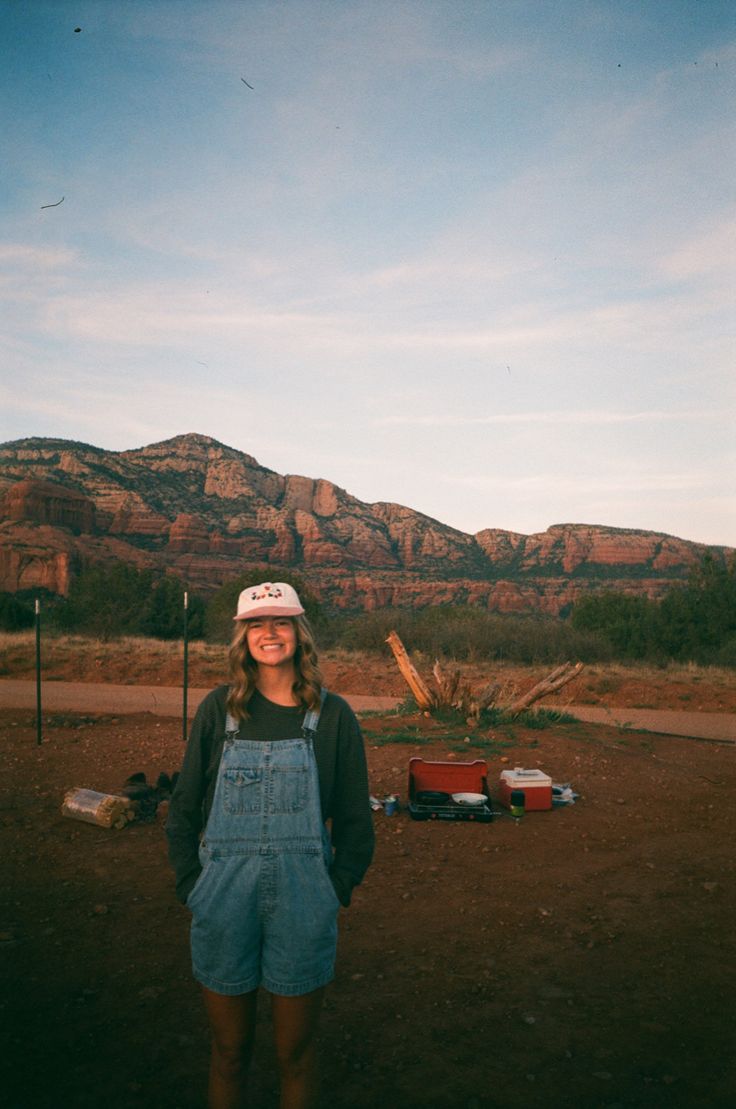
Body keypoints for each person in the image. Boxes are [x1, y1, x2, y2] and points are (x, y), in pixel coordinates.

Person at [166, 581, 375, 1109]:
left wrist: (336, 887)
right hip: (222, 897)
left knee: (295, 1053)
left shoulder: (333, 716)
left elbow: (354, 819)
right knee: (229, 1050)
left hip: (305, 901)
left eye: (280, 621)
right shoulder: (219, 710)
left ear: (299, 633)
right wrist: (194, 885)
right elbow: (184, 806)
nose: (269, 633)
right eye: (257, 624)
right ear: (243, 637)